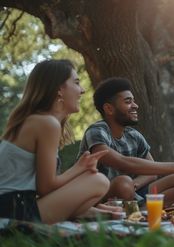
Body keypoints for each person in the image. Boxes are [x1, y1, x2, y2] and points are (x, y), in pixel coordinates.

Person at [0, 59, 117, 224]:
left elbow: (44, 190)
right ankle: (82, 213)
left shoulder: (36, 121)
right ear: (59, 90)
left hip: (14, 205)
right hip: (12, 211)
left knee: (92, 181)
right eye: (76, 83)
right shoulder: (46, 123)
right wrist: (79, 168)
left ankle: (85, 212)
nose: (82, 90)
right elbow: (46, 187)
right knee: (99, 181)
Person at [78, 77, 174, 207]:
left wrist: (134, 185)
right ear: (109, 109)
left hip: (132, 193)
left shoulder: (134, 135)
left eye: (134, 101)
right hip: (100, 196)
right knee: (123, 184)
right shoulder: (96, 131)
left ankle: (143, 211)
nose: (135, 105)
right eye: (128, 101)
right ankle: (134, 210)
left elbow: (152, 173)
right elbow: (121, 162)